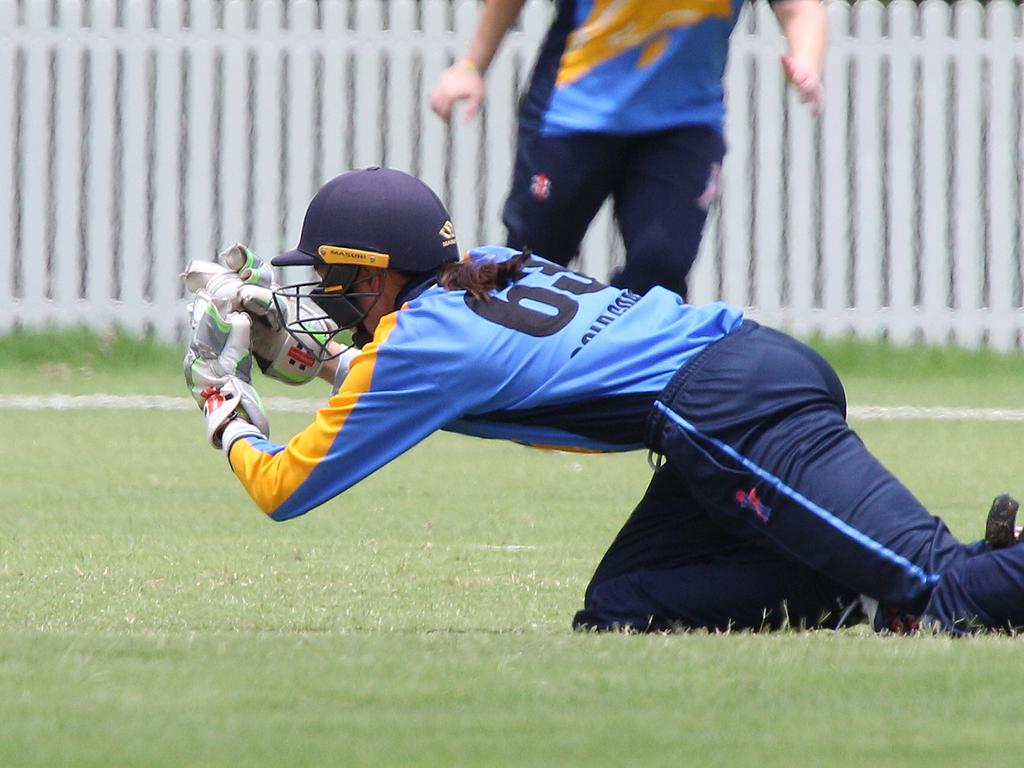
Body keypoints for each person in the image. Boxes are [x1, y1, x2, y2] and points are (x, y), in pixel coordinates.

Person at [185, 167, 1024, 635]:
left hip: (727, 408)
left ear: (372, 274)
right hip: (724, 395)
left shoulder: (412, 349)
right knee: (622, 611)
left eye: (332, 282)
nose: (319, 297)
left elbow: (284, 489)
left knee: (945, 587)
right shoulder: (480, 264)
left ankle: (945, 581)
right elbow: (452, 373)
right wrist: (333, 357)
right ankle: (863, 595)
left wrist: (223, 407)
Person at [428, 0, 827, 298]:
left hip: (682, 126)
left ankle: (612, 382)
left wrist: (807, 61)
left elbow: (801, 9)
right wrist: (471, 66)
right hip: (573, 116)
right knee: (528, 265)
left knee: (661, 269)